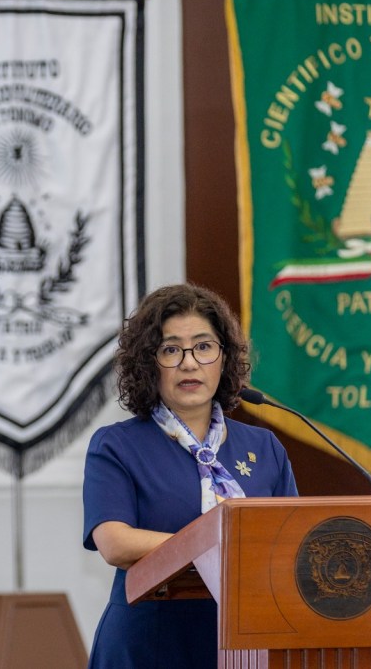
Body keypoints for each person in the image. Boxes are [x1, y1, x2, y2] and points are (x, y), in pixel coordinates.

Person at [82, 283, 298, 668]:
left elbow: (290, 544)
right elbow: (115, 542)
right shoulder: (116, 445)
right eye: (170, 349)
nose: (189, 363)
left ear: (224, 357)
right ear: (148, 363)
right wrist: (223, 546)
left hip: (246, 642)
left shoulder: (265, 448)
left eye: (203, 346)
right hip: (149, 644)